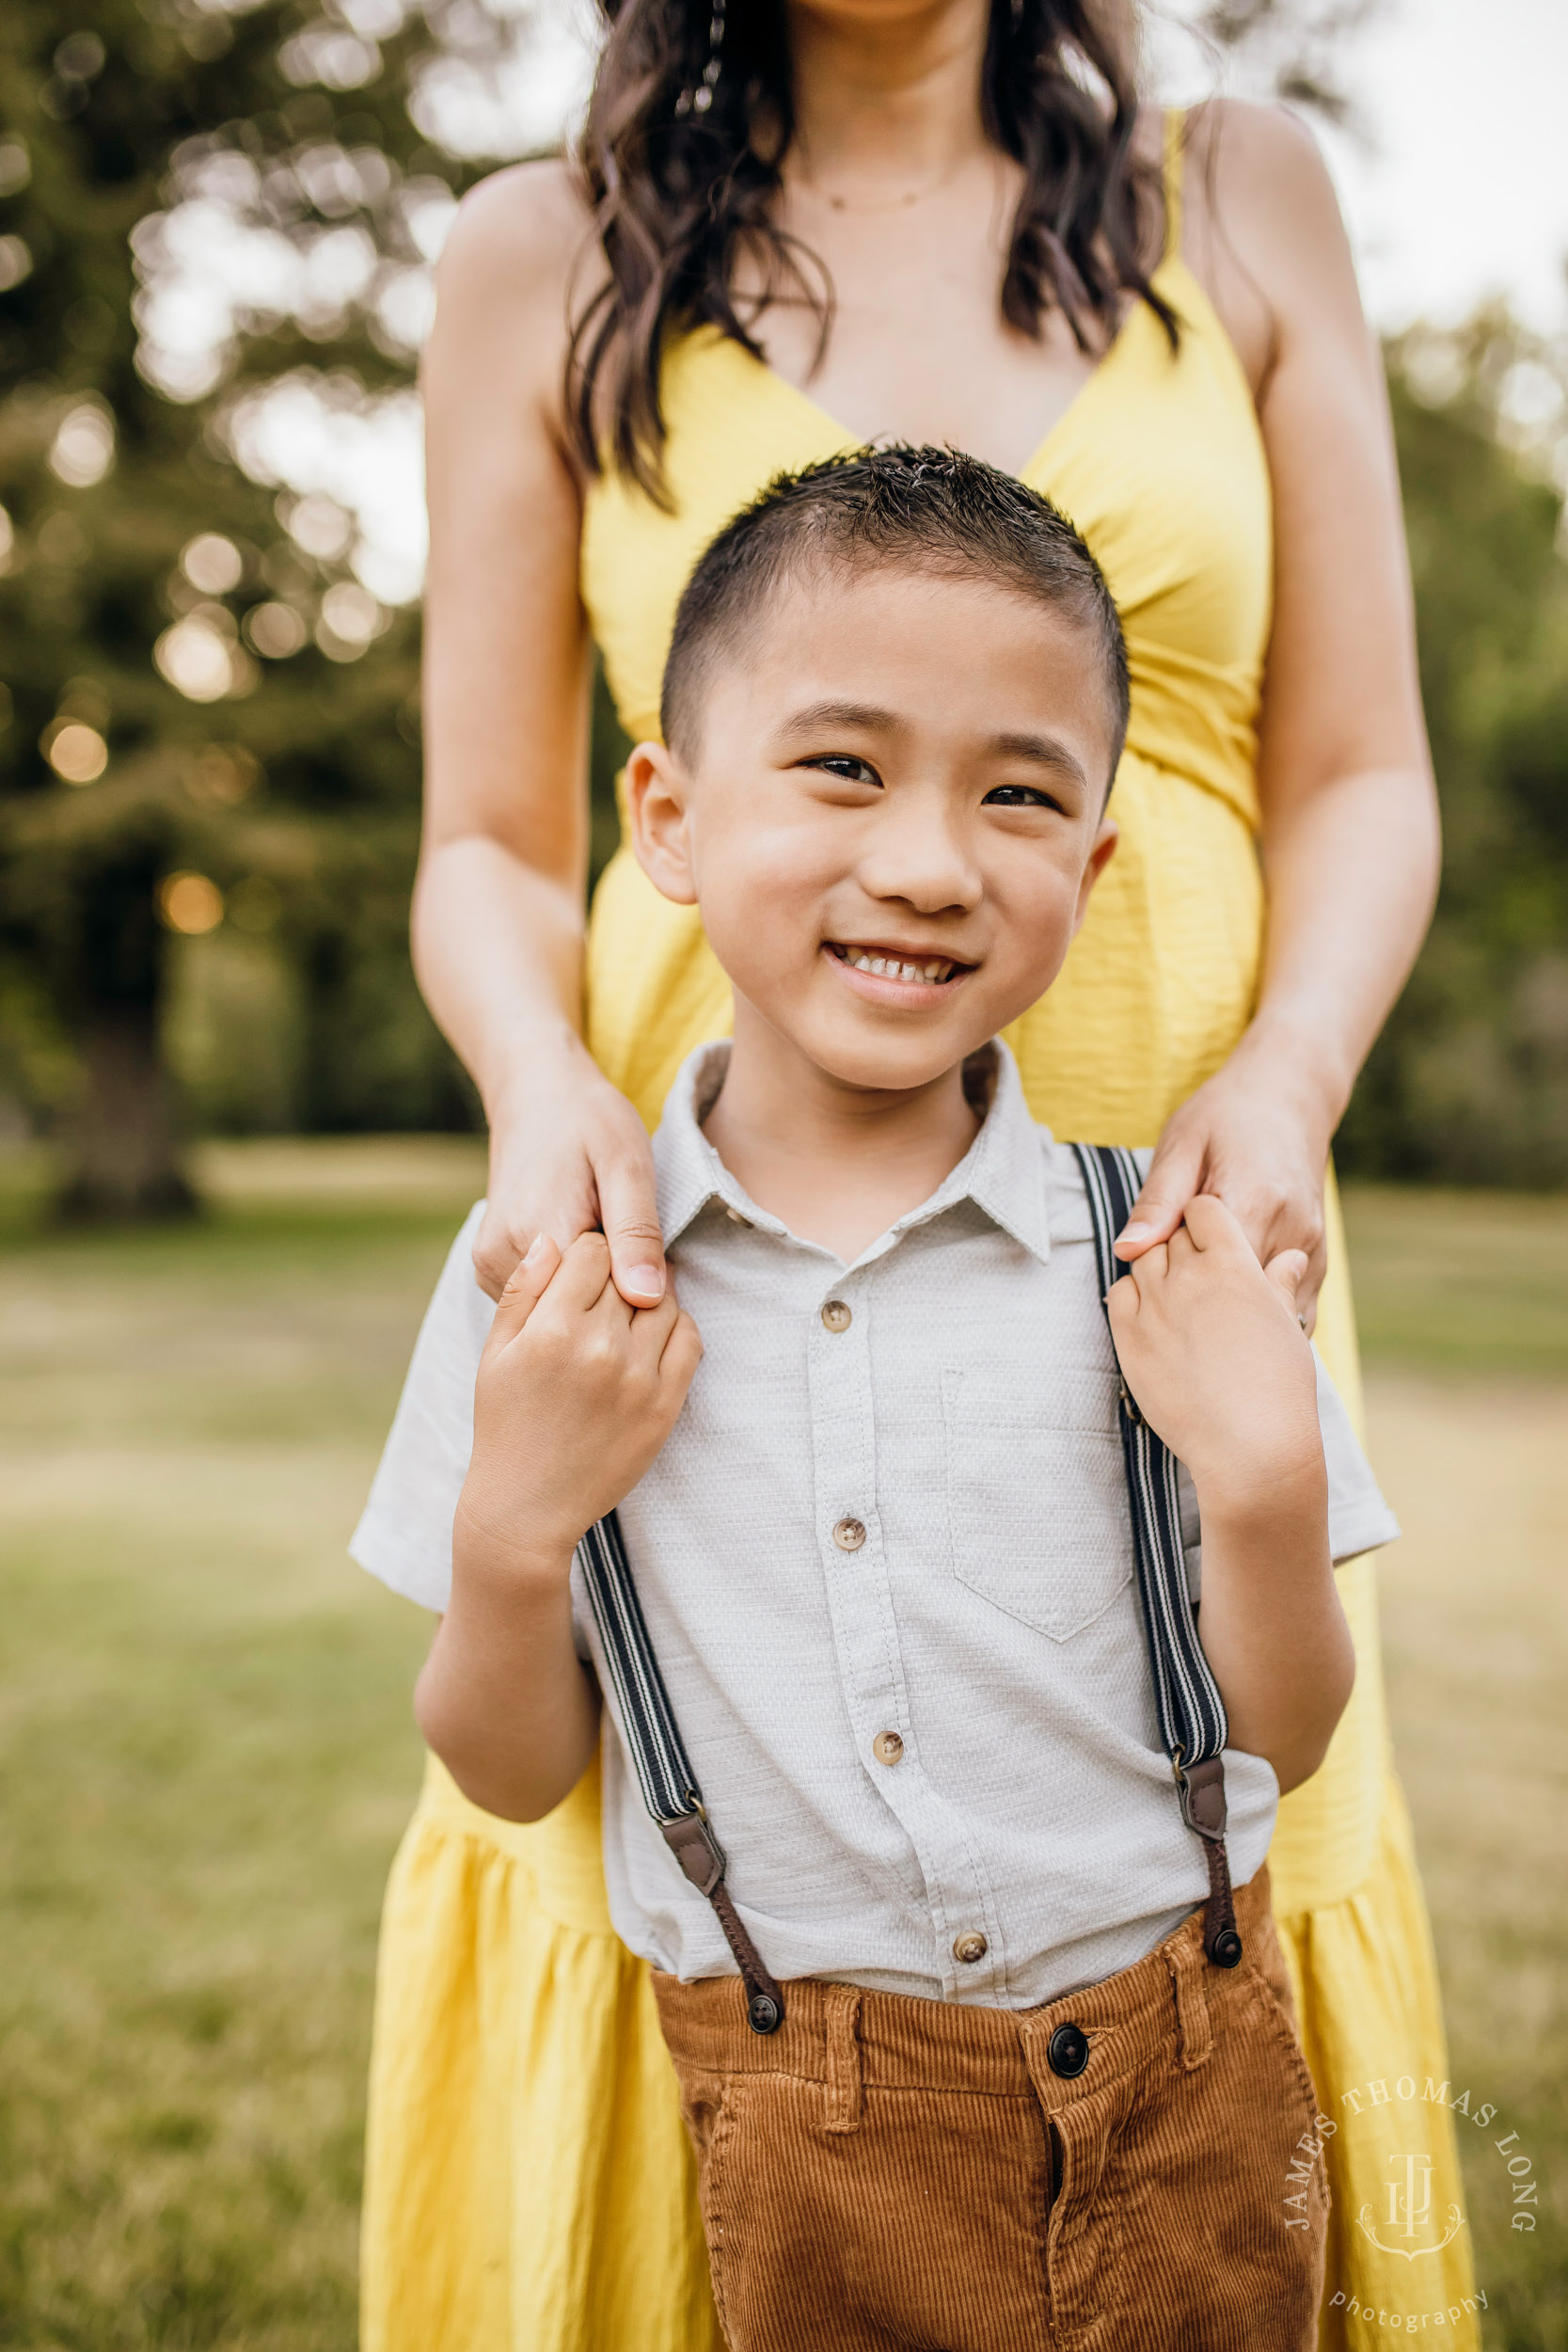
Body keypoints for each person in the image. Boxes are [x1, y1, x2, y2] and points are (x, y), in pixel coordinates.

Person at [364, 2, 1471, 2345]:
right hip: (732, 1224)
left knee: (1197, 1805)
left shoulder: (1241, 191)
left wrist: (1286, 1077)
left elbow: (1360, 768)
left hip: (1189, 1203)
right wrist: (533, 1075)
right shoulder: (536, 255)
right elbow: (483, 827)